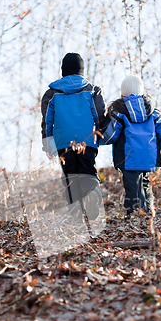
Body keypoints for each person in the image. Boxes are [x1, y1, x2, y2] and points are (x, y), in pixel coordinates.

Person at [41, 53, 106, 218]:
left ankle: (75, 217)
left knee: (70, 176)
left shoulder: (51, 93)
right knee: (87, 170)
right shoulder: (92, 90)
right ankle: (92, 194)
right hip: (87, 139)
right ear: (81, 70)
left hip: (63, 141)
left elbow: (47, 121)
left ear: (63, 70)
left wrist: (48, 143)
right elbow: (98, 114)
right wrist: (99, 134)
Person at [101, 74, 161, 215]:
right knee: (145, 184)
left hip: (128, 157)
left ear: (123, 93)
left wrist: (98, 138)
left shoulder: (119, 111)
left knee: (133, 188)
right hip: (149, 156)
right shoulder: (154, 111)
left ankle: (135, 217)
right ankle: (148, 214)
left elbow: (111, 135)